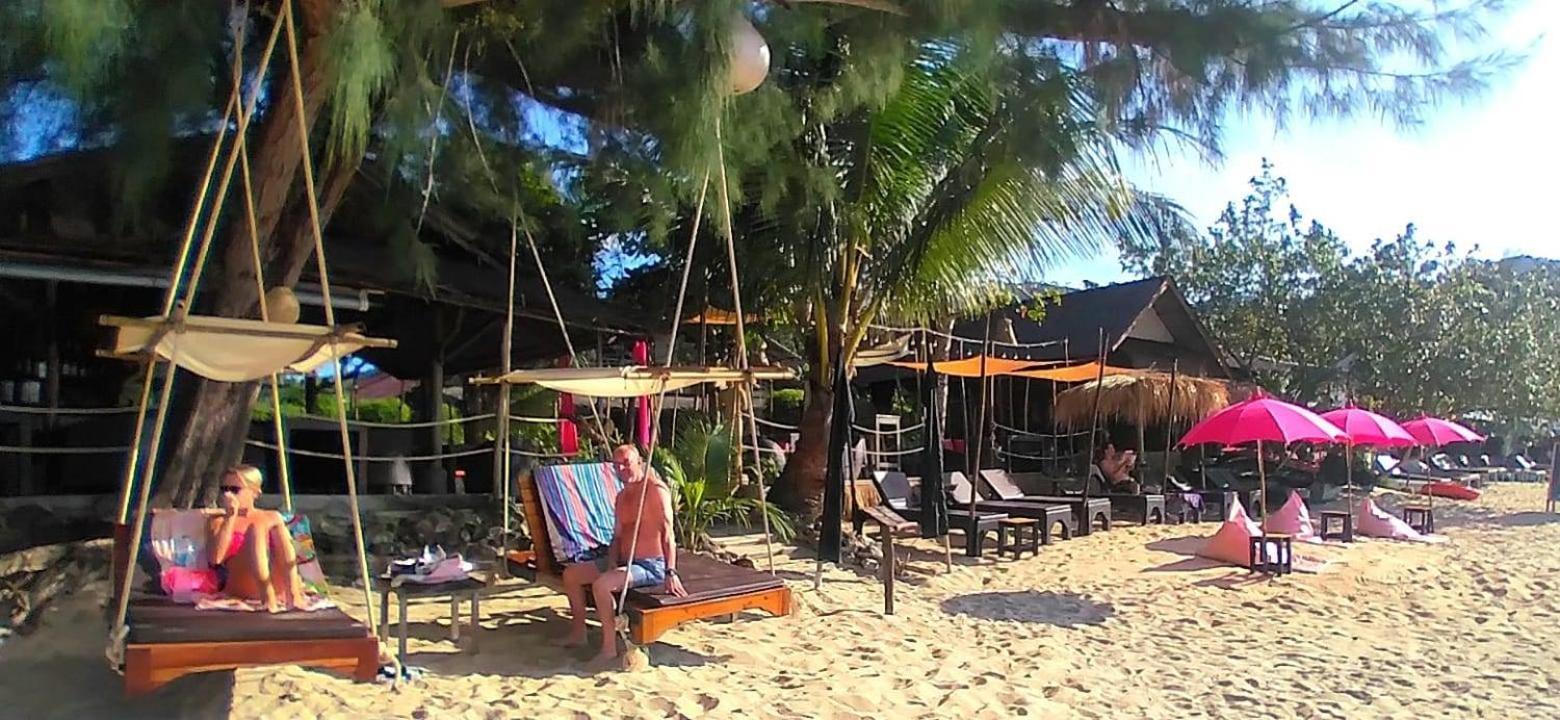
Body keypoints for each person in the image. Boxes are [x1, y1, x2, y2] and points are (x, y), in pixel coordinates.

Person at [557, 444, 686, 666]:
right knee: (571, 575)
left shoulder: (655, 491)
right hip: (625, 561)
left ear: (639, 462)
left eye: (626, 463)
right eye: (617, 465)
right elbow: (616, 537)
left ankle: (608, 648)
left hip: (650, 565)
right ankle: (579, 634)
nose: (621, 469)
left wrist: (670, 572)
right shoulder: (621, 497)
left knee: (602, 585)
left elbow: (668, 534)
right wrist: (612, 562)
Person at [206, 465, 310, 613]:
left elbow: (304, 555)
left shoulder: (272, 517)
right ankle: (267, 597)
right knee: (257, 528)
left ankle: (293, 594)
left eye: (235, 490)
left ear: (255, 492)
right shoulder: (218, 520)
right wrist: (230, 516)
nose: (228, 495)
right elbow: (215, 559)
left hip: (278, 583)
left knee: (274, 521)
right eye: (224, 489)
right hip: (243, 586)